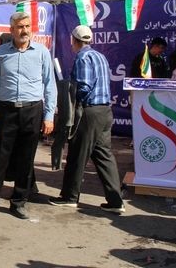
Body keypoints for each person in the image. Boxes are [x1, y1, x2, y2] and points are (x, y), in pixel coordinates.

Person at [0, 12, 56, 219]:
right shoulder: (1, 53)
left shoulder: (42, 52)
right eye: (20, 27)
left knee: (26, 159)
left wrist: (48, 116)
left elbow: (50, 85)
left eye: (27, 26)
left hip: (32, 110)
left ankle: (19, 201)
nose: (24, 30)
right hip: (6, 111)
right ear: (11, 30)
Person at [49, 25, 125, 213]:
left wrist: (71, 100)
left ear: (74, 40)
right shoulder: (100, 56)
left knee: (77, 154)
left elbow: (84, 86)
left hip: (89, 112)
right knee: (103, 155)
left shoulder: (82, 58)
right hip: (105, 111)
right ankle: (116, 201)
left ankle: (69, 197)